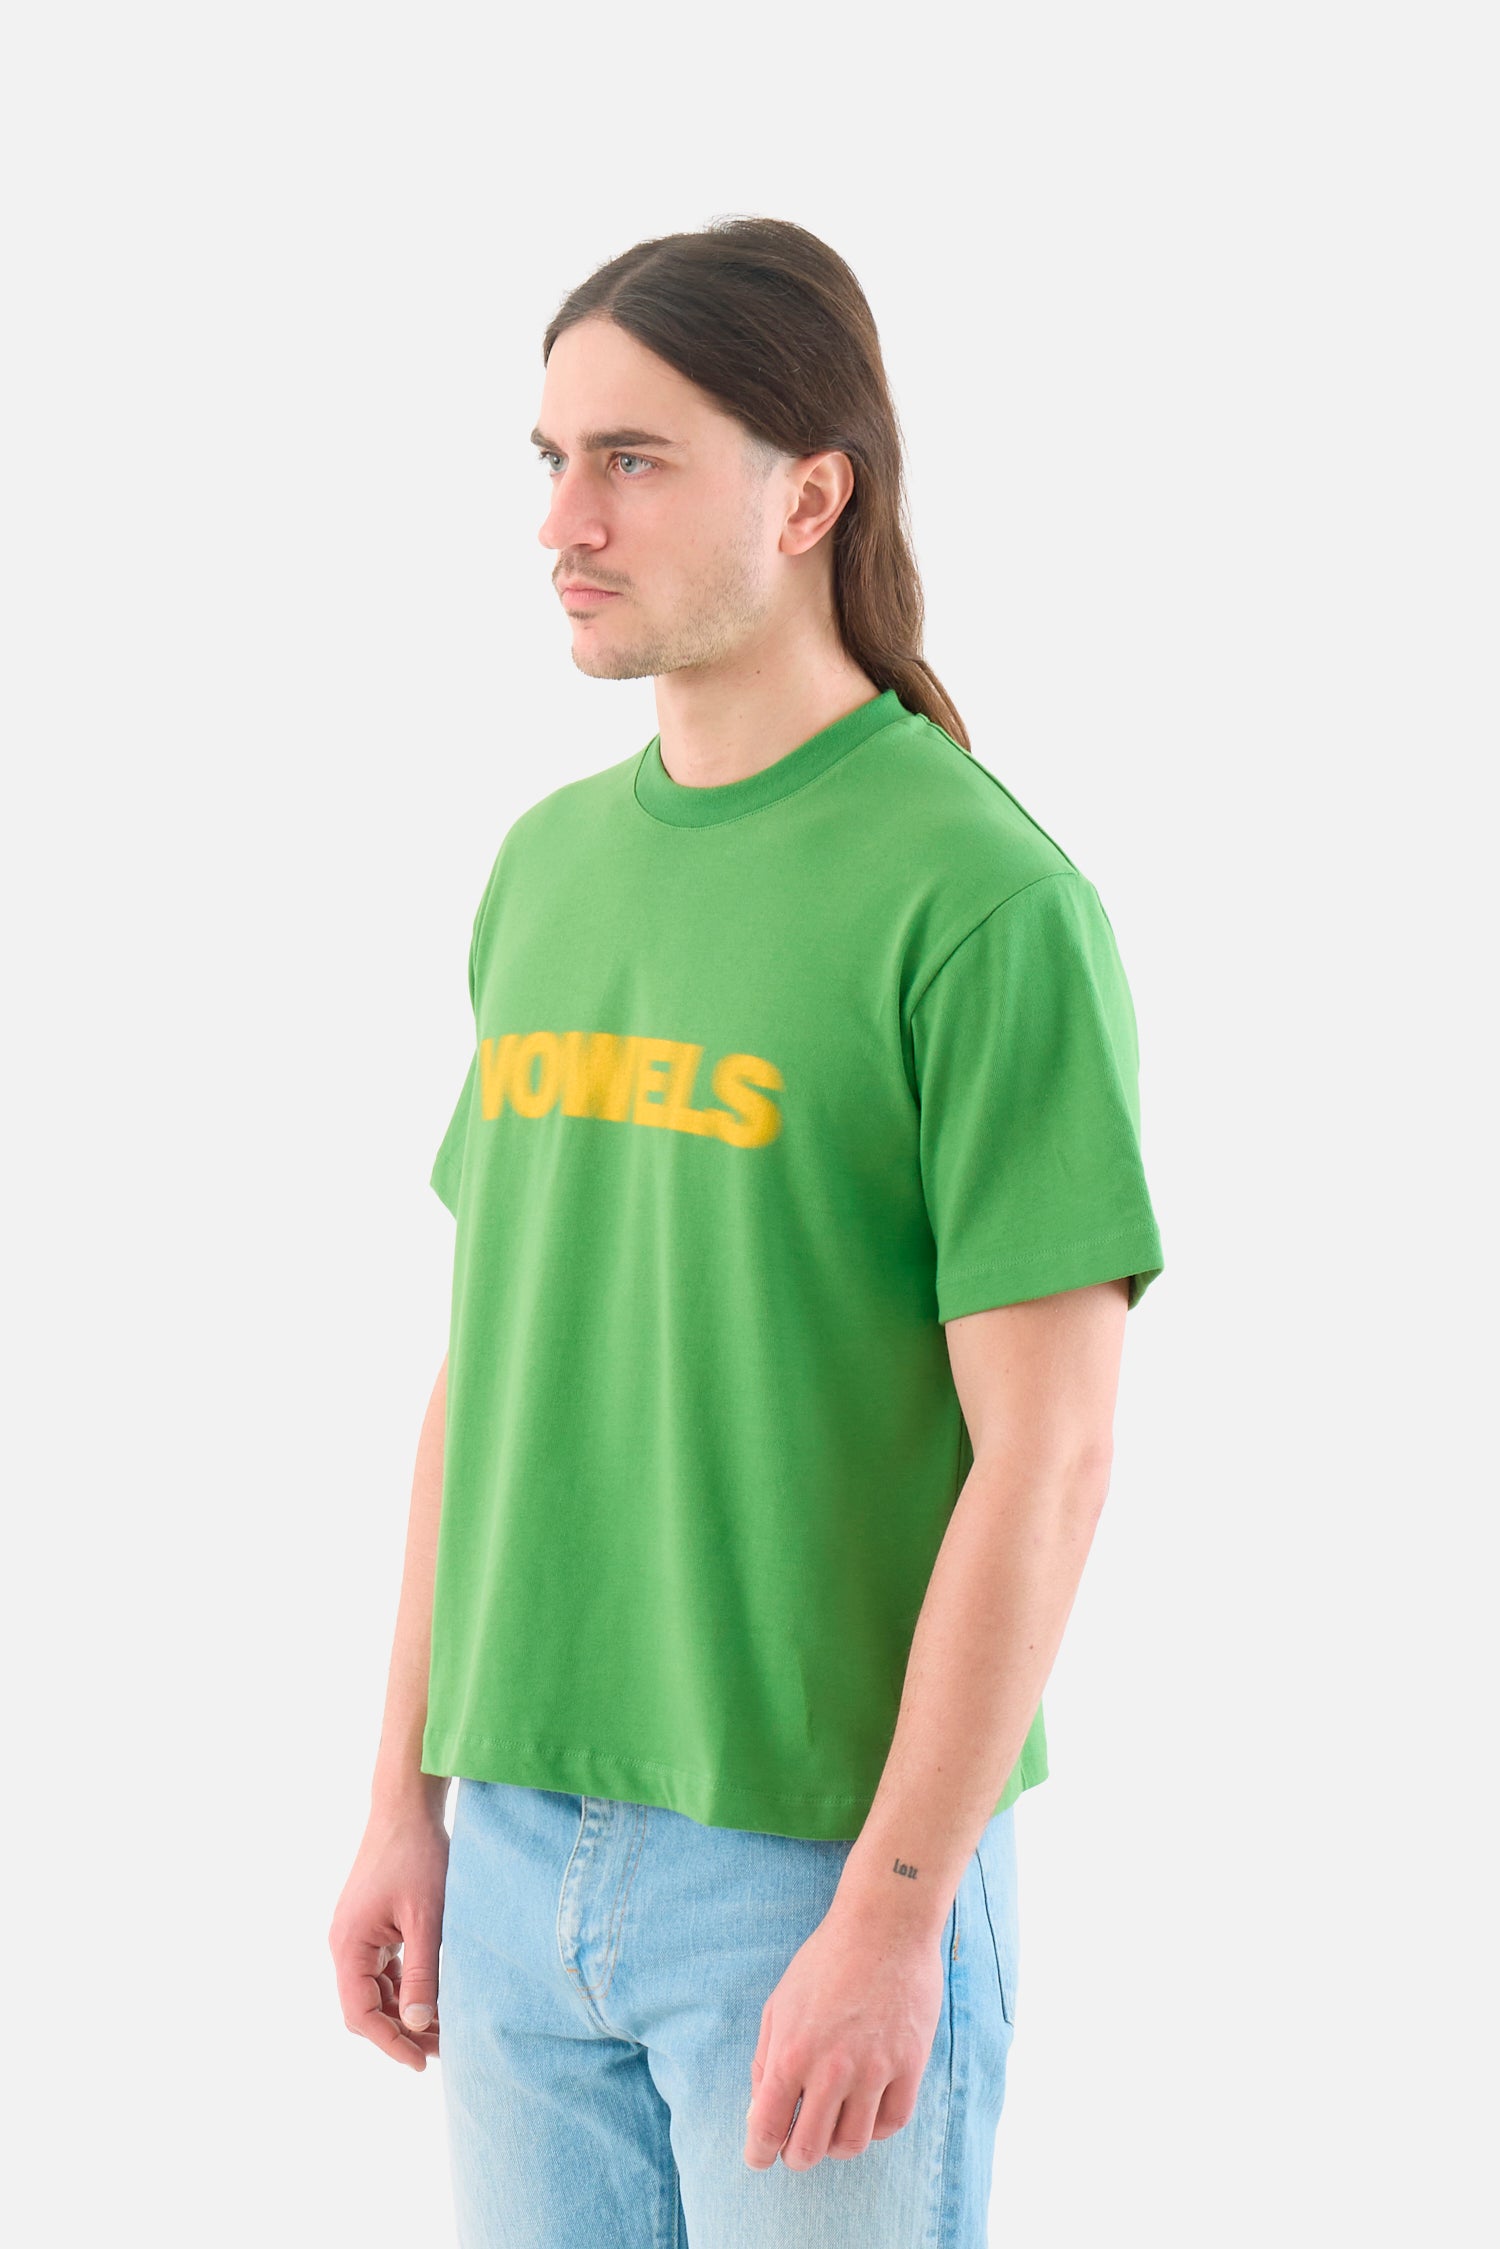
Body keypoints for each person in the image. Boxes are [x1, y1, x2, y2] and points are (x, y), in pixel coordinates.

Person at [329, 215, 1165, 2248]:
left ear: (809, 496)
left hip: (812, 1869)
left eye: (632, 459)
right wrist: (402, 1797)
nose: (564, 521)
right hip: (514, 1854)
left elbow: (1048, 1459)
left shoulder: (980, 899)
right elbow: (490, 1365)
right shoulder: (546, 869)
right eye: (551, 459)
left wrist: (895, 1911)